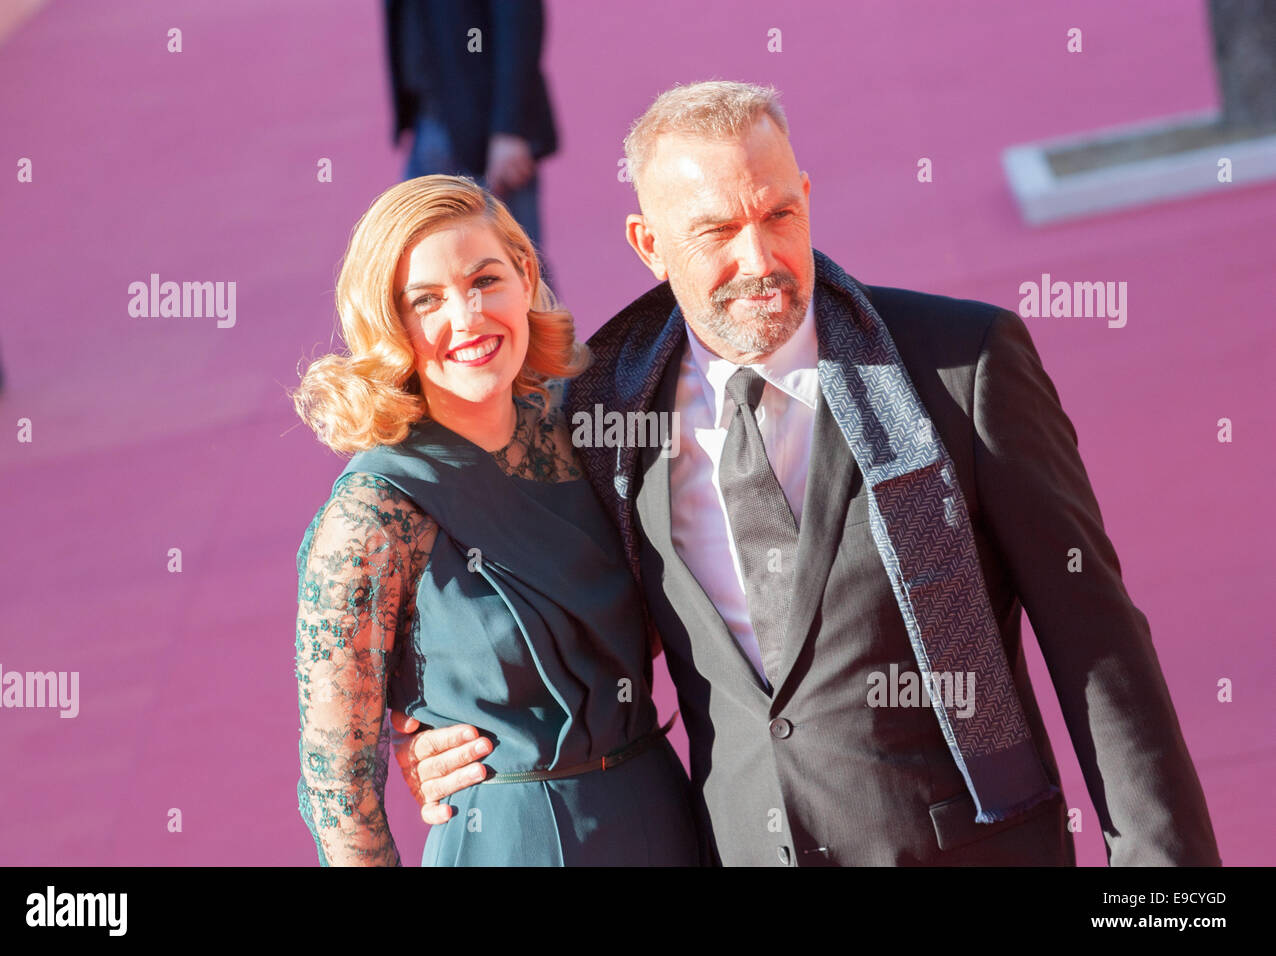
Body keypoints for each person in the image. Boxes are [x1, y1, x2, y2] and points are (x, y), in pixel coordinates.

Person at [393, 80, 1223, 866]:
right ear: (650, 245)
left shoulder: (959, 366)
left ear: (807, 198)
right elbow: (542, 621)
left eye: (779, 214)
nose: (760, 259)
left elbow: (1098, 644)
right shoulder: (602, 413)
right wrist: (437, 739)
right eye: (716, 232)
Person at [289, 174, 702, 866]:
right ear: (389, 325)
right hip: (511, 843)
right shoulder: (371, 518)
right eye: (426, 301)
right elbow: (338, 789)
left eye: (485, 280)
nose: (468, 316)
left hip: (662, 819)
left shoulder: (588, 436)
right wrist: (412, 734)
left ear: (526, 273)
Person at [384, 0, 558, 287]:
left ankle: (550, 334)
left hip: (485, 133)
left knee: (519, 273)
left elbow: (519, 16)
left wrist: (509, 129)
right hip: (427, 124)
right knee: (421, 271)